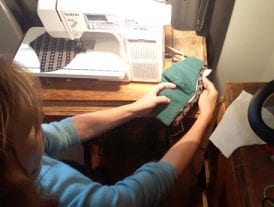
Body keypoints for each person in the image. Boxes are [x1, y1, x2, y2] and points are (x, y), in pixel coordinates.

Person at [0, 57, 218, 207]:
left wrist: (136, 108)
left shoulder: (23, 156)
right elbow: (130, 197)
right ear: (9, 163)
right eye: (32, 127)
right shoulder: (59, 196)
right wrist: (204, 119)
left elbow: (65, 131)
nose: (42, 119)